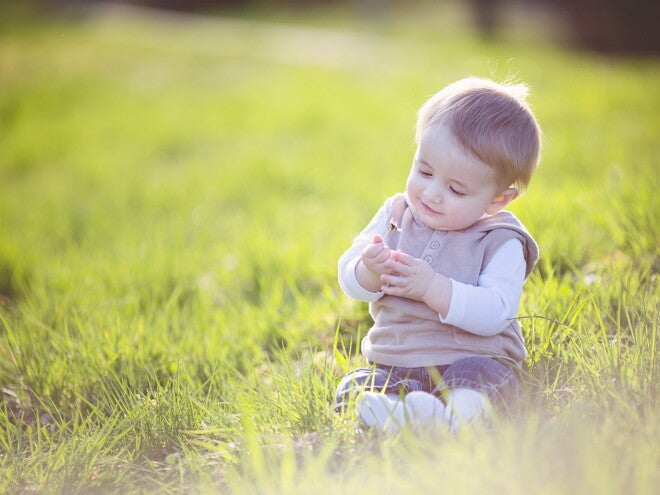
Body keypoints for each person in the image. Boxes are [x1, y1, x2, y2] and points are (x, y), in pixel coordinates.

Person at [335, 77, 542, 434]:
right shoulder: (397, 213)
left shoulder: (501, 240)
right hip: (395, 362)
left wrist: (431, 287)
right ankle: (409, 414)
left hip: (472, 360)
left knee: (482, 381)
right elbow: (349, 279)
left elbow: (496, 312)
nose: (431, 194)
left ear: (498, 199)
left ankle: (457, 417)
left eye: (456, 189)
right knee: (352, 387)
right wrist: (368, 270)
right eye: (424, 171)